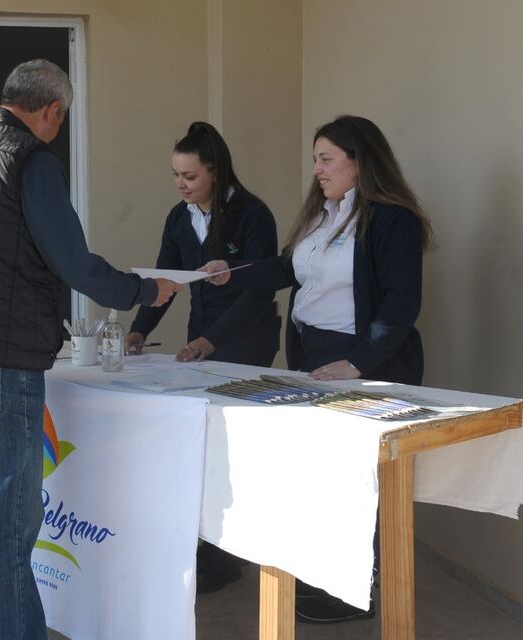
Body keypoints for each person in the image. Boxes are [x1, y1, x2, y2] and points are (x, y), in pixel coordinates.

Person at [0, 59, 180, 639]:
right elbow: (73, 262)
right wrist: (144, 290)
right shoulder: (28, 158)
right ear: (51, 111)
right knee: (4, 525)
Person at [201, 114, 434, 622]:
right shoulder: (323, 214)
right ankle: (334, 578)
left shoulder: (392, 219)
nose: (317, 170)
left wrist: (359, 362)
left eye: (326, 159)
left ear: (360, 161)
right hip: (313, 355)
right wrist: (231, 273)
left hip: (361, 359)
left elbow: (400, 305)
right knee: (325, 470)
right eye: (315, 160)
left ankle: (362, 588)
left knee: (362, 474)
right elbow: (288, 269)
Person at [124, 121, 280, 593]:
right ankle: (204, 552)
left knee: (233, 448)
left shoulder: (253, 214)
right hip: (201, 337)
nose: (181, 184)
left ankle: (231, 554)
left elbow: (259, 290)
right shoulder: (179, 216)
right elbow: (166, 282)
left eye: (189, 176)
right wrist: (138, 329)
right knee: (200, 443)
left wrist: (212, 341)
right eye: (175, 174)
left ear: (215, 171)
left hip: (245, 340)